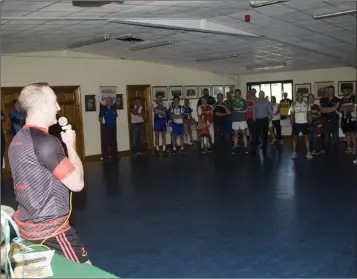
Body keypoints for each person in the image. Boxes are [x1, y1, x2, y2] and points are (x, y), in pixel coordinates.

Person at [8, 82, 90, 264]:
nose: (58, 107)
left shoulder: (16, 141)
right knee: (89, 274)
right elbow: (77, 184)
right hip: (52, 232)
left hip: (27, 229)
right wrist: (71, 145)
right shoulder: (46, 143)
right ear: (44, 106)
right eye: (54, 102)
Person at [289, 91, 313, 159]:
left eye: (301, 95)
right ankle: (294, 153)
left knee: (307, 138)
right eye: (298, 95)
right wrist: (292, 123)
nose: (299, 96)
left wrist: (310, 120)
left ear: (302, 96)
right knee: (294, 139)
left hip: (305, 123)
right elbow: (291, 114)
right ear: (296, 96)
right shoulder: (293, 103)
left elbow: (309, 113)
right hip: (296, 123)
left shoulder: (306, 103)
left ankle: (308, 153)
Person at [320, 86, 340, 153]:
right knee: (326, 137)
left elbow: (336, 109)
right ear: (327, 91)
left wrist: (327, 109)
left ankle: (336, 151)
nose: (331, 92)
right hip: (325, 121)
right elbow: (322, 110)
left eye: (332, 90)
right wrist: (333, 108)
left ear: (334, 91)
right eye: (329, 90)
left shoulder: (337, 100)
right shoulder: (322, 100)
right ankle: (326, 151)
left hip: (334, 121)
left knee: (335, 137)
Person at [231, 89, 248, 154]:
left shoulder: (243, 101)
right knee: (235, 134)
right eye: (236, 93)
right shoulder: (232, 101)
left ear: (240, 94)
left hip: (242, 119)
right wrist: (240, 109)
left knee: (244, 133)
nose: (237, 94)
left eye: (238, 93)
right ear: (235, 94)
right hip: (235, 119)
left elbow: (246, 109)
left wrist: (237, 110)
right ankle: (235, 146)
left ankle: (246, 147)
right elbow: (232, 109)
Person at [339, 88, 356, 154]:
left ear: (349, 91)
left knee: (353, 134)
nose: (345, 92)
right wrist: (349, 108)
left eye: (346, 90)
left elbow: (354, 108)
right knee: (347, 134)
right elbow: (340, 109)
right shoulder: (341, 100)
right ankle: (349, 147)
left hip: (353, 118)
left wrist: (346, 108)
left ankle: (354, 148)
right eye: (343, 91)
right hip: (344, 118)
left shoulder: (353, 98)